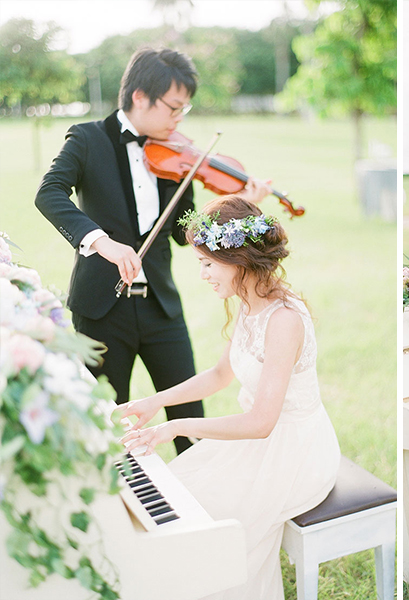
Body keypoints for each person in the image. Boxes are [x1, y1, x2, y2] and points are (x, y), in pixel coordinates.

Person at [34, 48, 270, 453]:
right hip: (102, 309)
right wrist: (100, 242)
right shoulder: (87, 138)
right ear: (141, 96)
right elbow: (49, 193)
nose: (180, 119)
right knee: (104, 420)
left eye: (184, 109)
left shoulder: (176, 152)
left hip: (162, 307)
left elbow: (188, 231)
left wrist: (245, 207)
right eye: (174, 108)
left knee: (188, 418)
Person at [118, 195, 340, 600]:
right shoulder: (249, 303)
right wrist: (156, 401)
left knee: (207, 529)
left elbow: (261, 422)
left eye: (206, 263)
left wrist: (176, 426)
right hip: (255, 446)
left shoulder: (284, 320)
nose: (202, 274)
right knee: (177, 492)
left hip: (294, 452)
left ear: (238, 260)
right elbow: (220, 374)